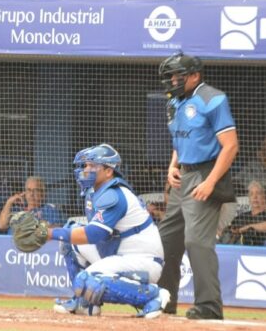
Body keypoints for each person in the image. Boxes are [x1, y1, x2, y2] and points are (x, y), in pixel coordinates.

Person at [42, 144, 168, 318]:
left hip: (143, 260)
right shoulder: (95, 192)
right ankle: (86, 304)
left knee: (86, 281)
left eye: (92, 166)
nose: (86, 170)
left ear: (108, 171)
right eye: (85, 165)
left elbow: (94, 234)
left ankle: (153, 295)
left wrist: (48, 233)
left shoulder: (114, 194)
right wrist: (57, 233)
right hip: (118, 253)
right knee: (68, 238)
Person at [157, 51, 238, 320]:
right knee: (167, 239)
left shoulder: (212, 99)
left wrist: (210, 182)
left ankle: (209, 306)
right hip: (183, 177)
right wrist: (173, 166)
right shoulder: (174, 103)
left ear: (195, 75)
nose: (173, 80)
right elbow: (181, 139)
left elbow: (230, 146)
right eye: (170, 75)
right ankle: (164, 299)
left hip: (206, 173)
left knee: (196, 241)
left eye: (178, 75)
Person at [0, 176, 65, 232]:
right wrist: (9, 202)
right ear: (25, 192)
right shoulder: (17, 209)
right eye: (29, 190)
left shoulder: (49, 209)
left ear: (43, 193)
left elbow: (57, 229)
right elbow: (1, 226)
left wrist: (33, 226)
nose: (31, 194)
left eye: (35, 190)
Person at [225, 180, 266, 246]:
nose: (255, 197)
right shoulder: (242, 217)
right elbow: (230, 229)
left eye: (258, 193)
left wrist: (250, 226)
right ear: (249, 199)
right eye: (251, 194)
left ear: (264, 197)